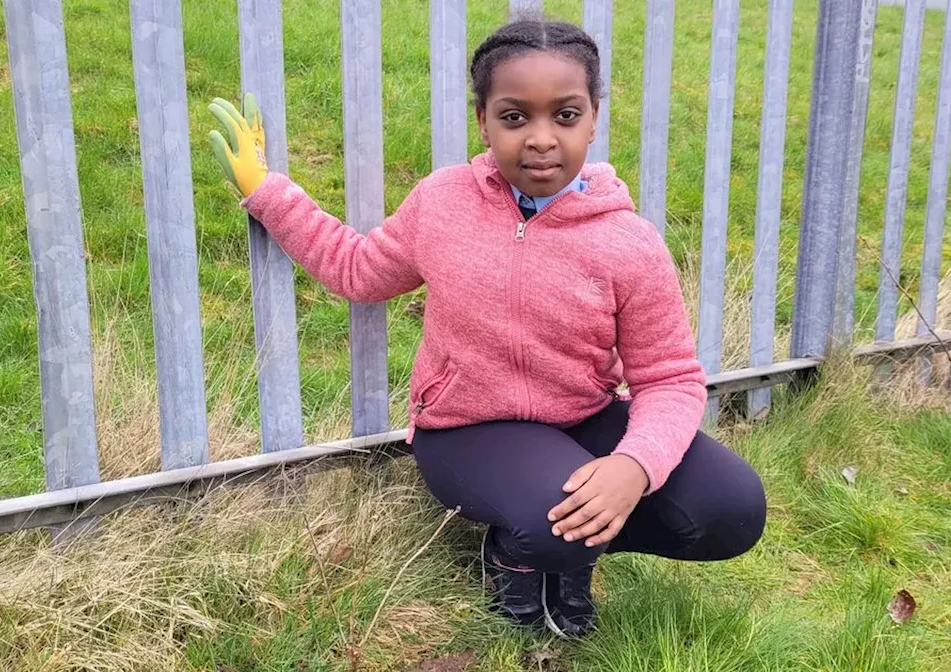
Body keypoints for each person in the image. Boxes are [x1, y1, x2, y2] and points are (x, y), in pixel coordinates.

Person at [206, 17, 766, 639]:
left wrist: (633, 467)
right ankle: (519, 554)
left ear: (595, 116)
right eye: (515, 116)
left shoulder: (627, 242)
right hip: (466, 428)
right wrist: (267, 191)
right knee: (549, 516)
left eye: (566, 115)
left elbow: (670, 379)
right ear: (483, 121)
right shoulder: (444, 202)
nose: (542, 139)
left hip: (579, 419)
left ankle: (571, 546)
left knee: (731, 509)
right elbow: (359, 269)